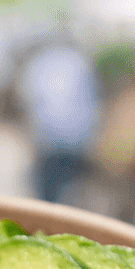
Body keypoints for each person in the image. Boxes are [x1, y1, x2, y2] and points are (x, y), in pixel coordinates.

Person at [17, 41, 99, 203]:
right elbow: (91, 99)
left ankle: (46, 213)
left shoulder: (40, 62)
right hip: (76, 136)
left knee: (46, 185)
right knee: (68, 184)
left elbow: (28, 96)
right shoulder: (79, 61)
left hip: (49, 135)